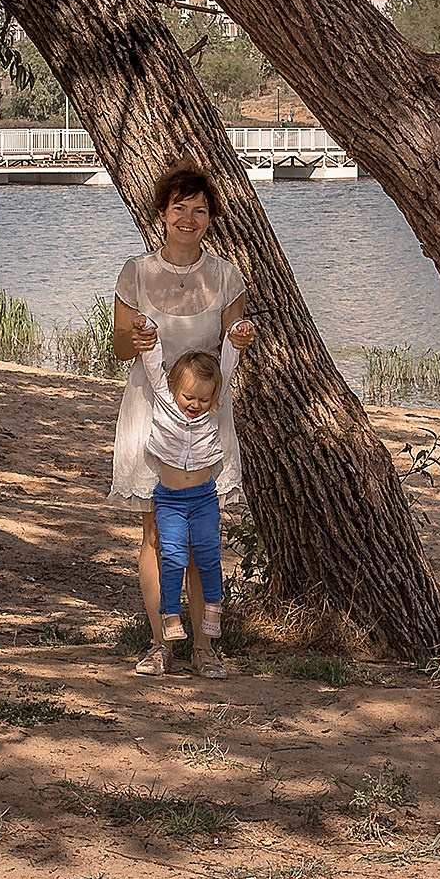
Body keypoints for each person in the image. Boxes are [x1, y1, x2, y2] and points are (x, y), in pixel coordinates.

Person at [111, 163, 256, 676]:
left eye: (200, 209)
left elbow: (233, 341)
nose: (189, 218)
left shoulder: (226, 276)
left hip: (205, 419)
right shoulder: (135, 272)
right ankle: (161, 646)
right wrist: (136, 339)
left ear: (211, 218)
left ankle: (205, 649)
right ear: (162, 213)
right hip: (150, 416)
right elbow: (118, 347)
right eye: (180, 208)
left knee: (200, 538)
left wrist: (242, 337)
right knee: (155, 534)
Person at [138, 329, 247, 672]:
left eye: (203, 399)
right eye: (188, 397)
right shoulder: (164, 400)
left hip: (203, 498)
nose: (195, 405)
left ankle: (211, 615)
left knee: (208, 555)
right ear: (174, 389)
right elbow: (153, 362)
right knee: (172, 557)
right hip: (169, 500)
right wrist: (147, 330)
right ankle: (170, 619)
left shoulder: (210, 411)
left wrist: (235, 338)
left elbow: (227, 367)